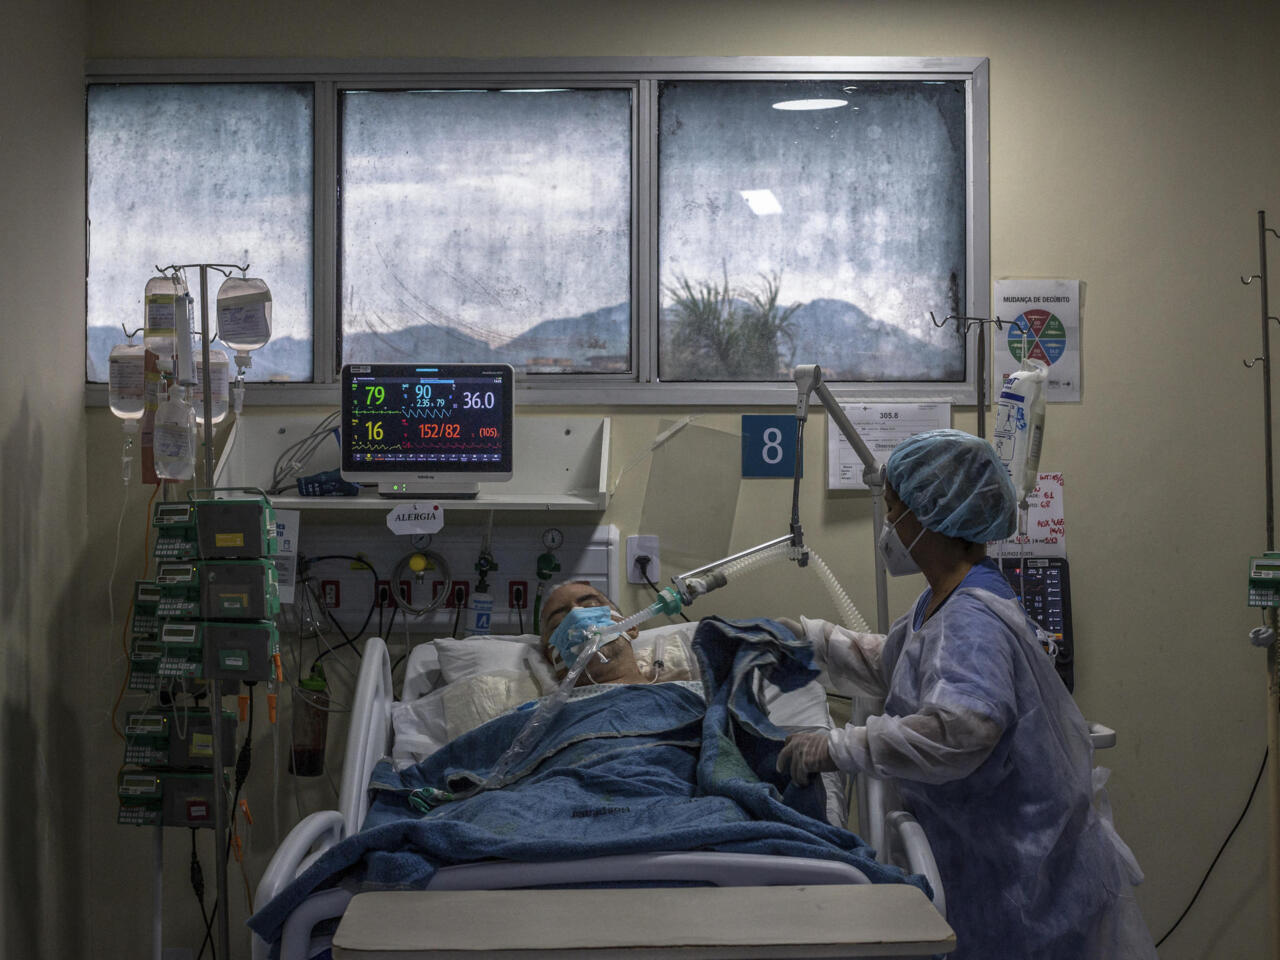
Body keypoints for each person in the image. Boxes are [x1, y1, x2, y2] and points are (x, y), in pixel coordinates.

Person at [776, 428, 1157, 960]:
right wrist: (807, 639)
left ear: (931, 516)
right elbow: (896, 663)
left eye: (894, 508)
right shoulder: (945, 600)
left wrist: (838, 748)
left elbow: (962, 730)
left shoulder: (973, 618)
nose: (889, 524)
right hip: (997, 871)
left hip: (1024, 891)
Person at [538, 580, 654, 684]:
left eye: (591, 605)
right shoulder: (551, 703)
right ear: (551, 658)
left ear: (630, 628)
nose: (577, 617)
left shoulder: (665, 691)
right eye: (558, 622)